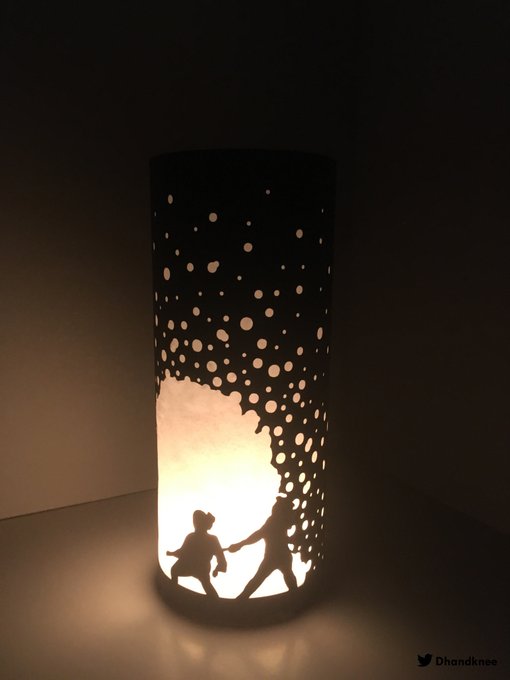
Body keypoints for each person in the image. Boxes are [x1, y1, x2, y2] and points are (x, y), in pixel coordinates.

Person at [226, 496, 297, 598]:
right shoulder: (278, 521)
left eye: (277, 507)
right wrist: (240, 544)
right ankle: (296, 595)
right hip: (281, 555)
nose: (274, 508)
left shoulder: (273, 521)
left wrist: (240, 544)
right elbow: (259, 534)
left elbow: (258, 534)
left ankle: (241, 599)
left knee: (259, 578)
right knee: (287, 575)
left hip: (273, 557)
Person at [166, 510, 226, 596]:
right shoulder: (194, 537)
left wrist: (217, 569)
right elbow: (183, 552)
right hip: (191, 565)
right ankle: (174, 592)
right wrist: (172, 553)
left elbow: (220, 556)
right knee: (175, 570)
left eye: (196, 521)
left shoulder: (210, 539)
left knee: (205, 583)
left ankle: (215, 599)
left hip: (201, 567)